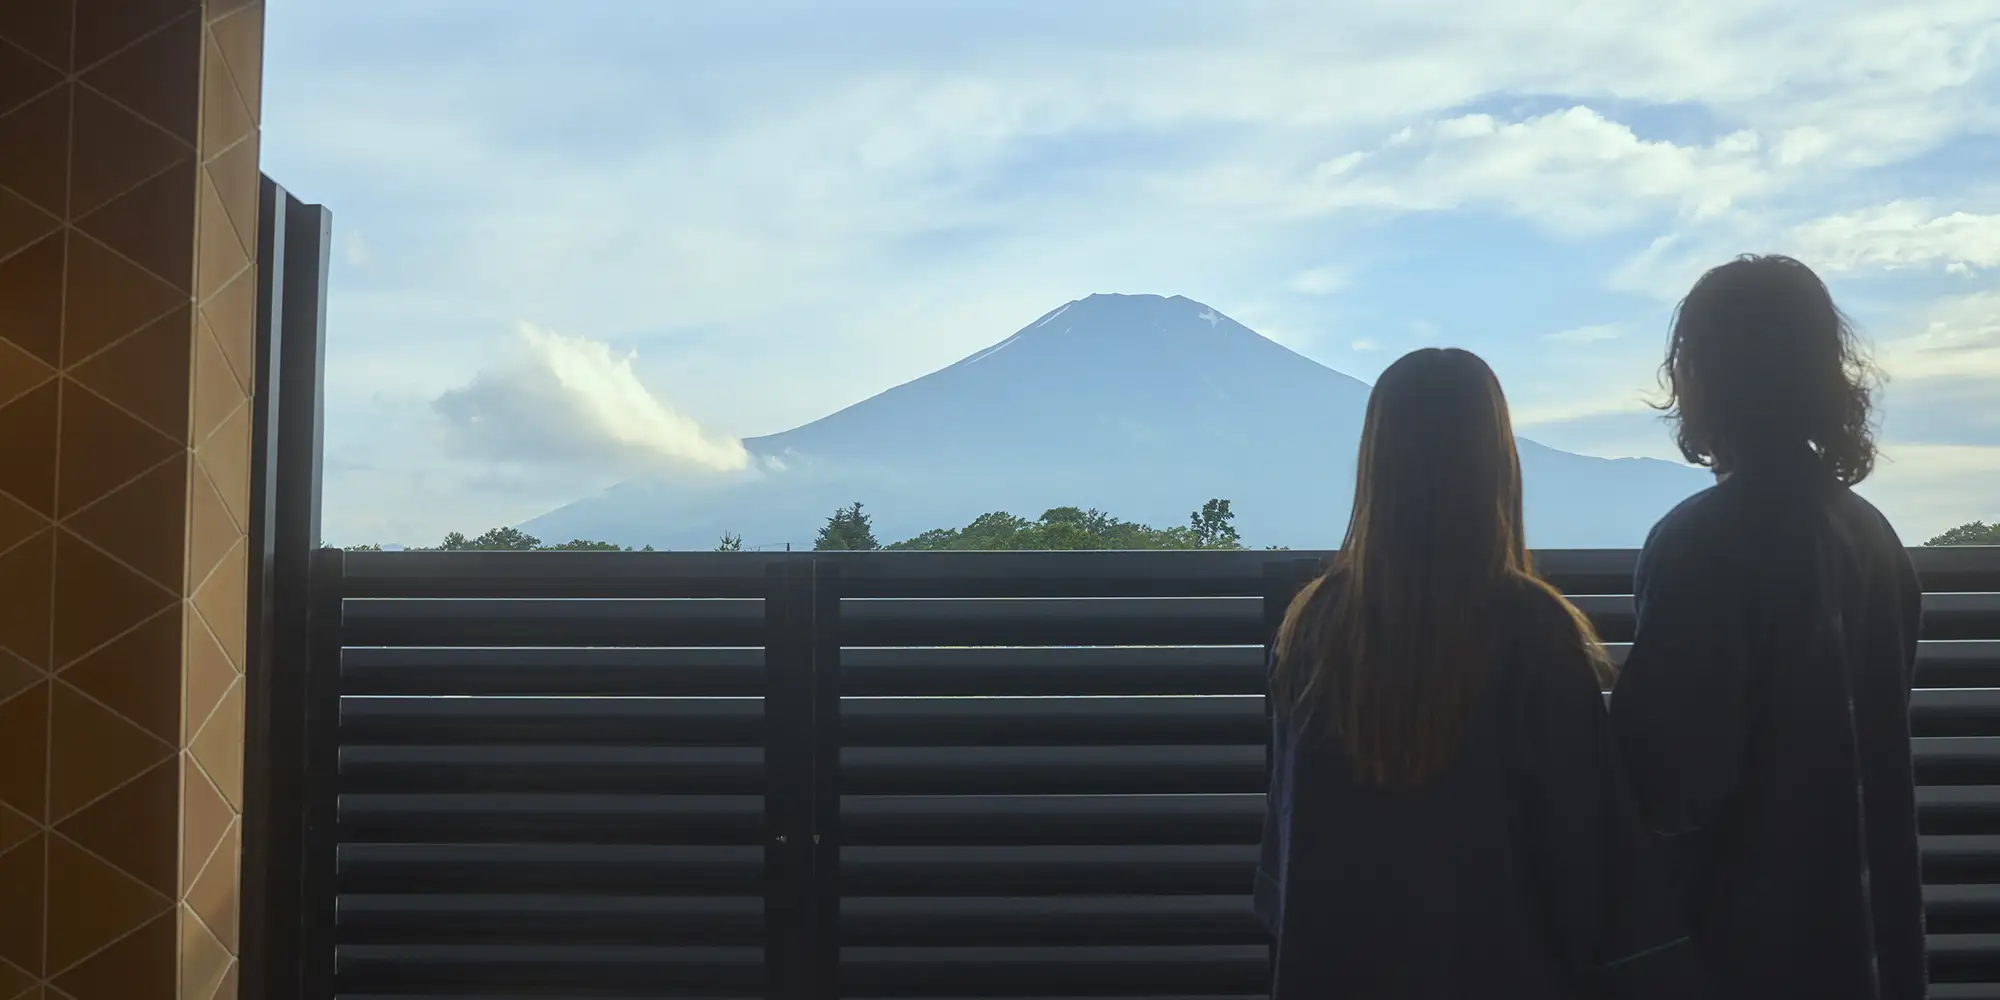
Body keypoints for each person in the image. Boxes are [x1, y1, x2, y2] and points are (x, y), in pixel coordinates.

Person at [1255, 347, 1702, 999]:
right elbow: (1589, 863)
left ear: (1375, 463)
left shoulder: (1315, 625)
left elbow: (1287, 858)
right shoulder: (1534, 630)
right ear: (1496, 461)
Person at [1609, 254, 1926, 999]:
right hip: (1868, 946)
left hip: (1742, 953)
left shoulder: (1702, 543)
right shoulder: (1873, 540)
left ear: (1703, 378)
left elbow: (1666, 782)